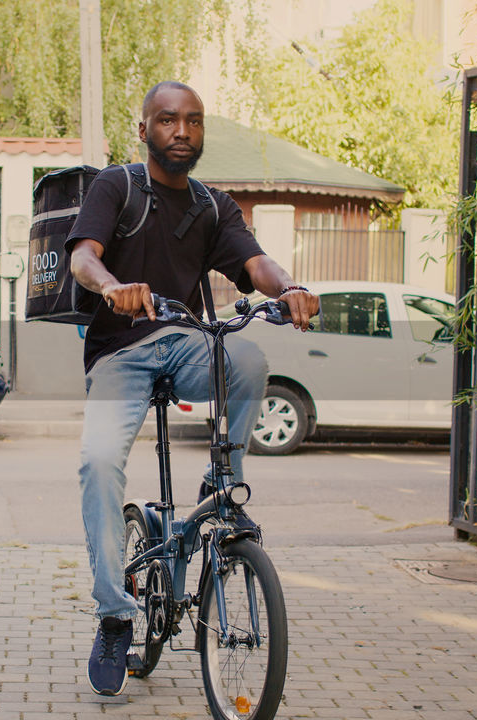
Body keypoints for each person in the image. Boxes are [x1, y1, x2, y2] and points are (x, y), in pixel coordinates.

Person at [65, 80, 319, 696]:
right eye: (169, 120)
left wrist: (288, 288)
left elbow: (256, 265)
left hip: (185, 340)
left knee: (250, 359)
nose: (182, 131)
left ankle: (222, 484)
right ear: (146, 128)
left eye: (195, 122)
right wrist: (110, 287)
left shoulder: (213, 205)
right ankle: (113, 612)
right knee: (99, 464)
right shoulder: (116, 186)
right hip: (120, 349)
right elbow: (82, 256)